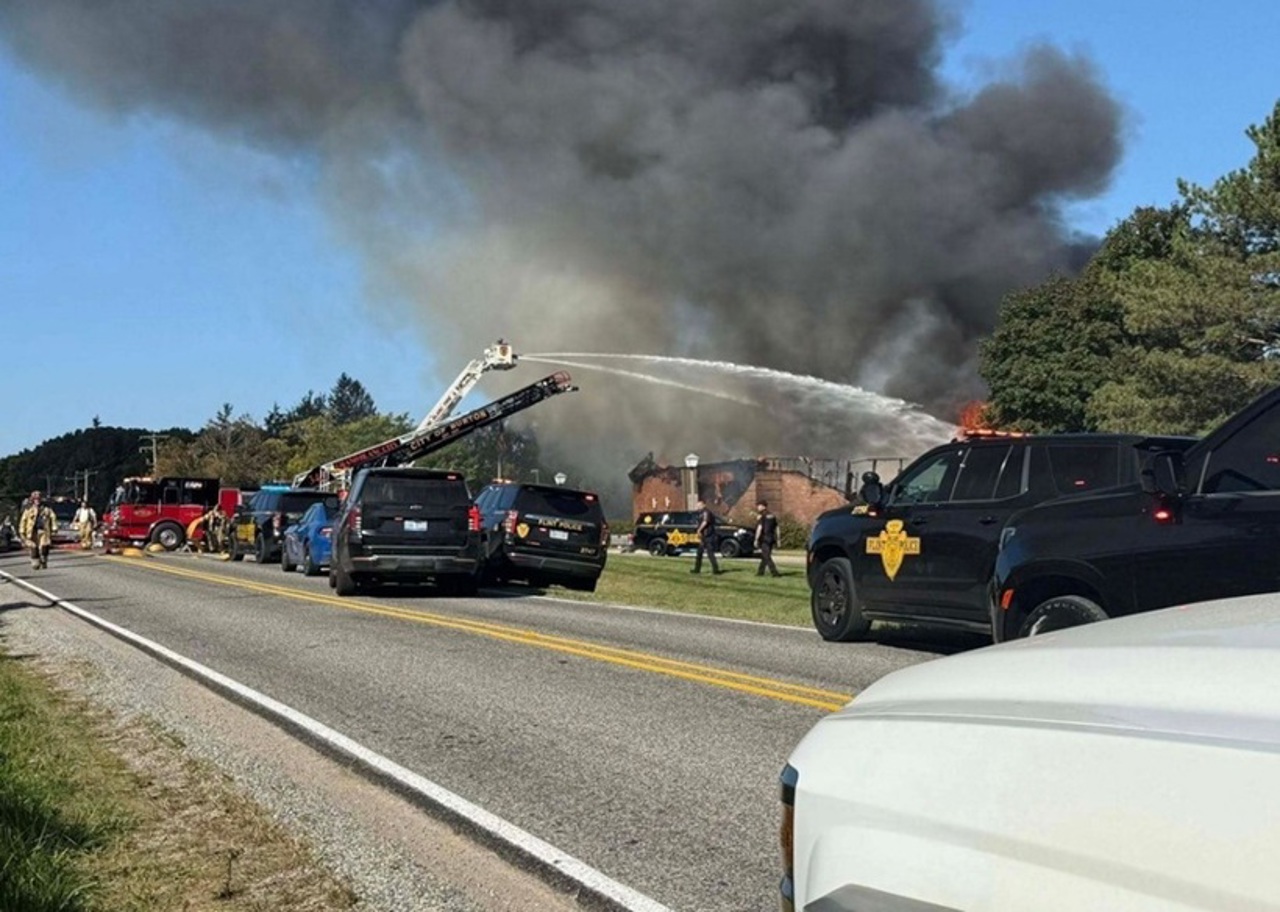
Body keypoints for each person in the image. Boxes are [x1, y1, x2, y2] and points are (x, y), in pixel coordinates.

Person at [19, 491, 58, 570]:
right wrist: (22, 530)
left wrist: (54, 527)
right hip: (32, 531)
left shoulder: (47, 509)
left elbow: (53, 517)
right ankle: (35, 562)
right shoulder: (28, 510)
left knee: (45, 545)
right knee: (33, 547)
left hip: (43, 530)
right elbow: (23, 520)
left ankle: (44, 559)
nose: (37, 501)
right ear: (33, 500)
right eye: (35, 499)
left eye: (39, 499)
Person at [690, 498, 722, 575]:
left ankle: (715, 570)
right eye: (697, 505)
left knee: (710, 553)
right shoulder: (700, 513)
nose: (698, 506)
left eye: (699, 505)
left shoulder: (706, 512)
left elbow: (705, 522)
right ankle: (697, 569)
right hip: (703, 536)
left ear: (704, 504)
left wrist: (699, 530)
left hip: (709, 536)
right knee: (699, 553)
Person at [754, 500, 782, 578]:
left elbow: (760, 528)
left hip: (764, 538)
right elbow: (777, 527)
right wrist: (778, 539)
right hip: (771, 538)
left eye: (759, 506)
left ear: (763, 506)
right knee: (764, 555)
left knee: (766, 556)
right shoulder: (772, 515)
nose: (757, 507)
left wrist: (756, 539)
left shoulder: (762, 516)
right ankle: (760, 572)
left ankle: (775, 573)